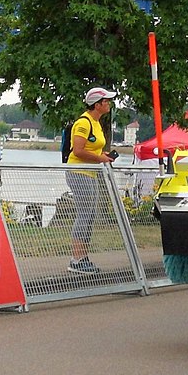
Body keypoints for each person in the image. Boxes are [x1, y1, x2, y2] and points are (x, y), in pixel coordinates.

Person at [66, 87, 118, 275]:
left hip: (91, 173)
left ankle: (83, 257)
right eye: (106, 101)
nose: (109, 104)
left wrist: (101, 155)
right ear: (97, 105)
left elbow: (92, 148)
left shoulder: (96, 123)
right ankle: (76, 259)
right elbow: (77, 151)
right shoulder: (83, 122)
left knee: (90, 215)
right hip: (79, 172)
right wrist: (100, 159)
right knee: (84, 214)